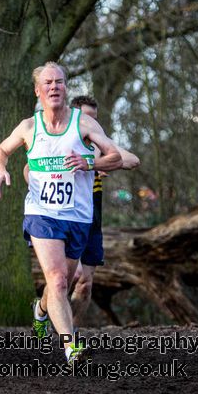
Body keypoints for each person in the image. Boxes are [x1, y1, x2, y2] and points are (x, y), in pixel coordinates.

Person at [0, 61, 121, 363]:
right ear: (38, 91)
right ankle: (70, 346)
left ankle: (40, 309)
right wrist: (0, 171)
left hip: (77, 216)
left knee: (61, 279)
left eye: (59, 82)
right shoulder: (28, 126)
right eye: (48, 83)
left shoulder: (84, 124)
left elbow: (114, 156)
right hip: (41, 213)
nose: (54, 87)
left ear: (66, 88)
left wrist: (89, 163)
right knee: (59, 279)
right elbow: (1, 151)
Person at [68, 96, 140, 329]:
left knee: (85, 283)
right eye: (87, 118)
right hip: (66, 216)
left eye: (95, 119)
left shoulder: (100, 146)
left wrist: (96, 164)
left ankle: (70, 336)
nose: (92, 124)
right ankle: (44, 313)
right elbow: (29, 170)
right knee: (69, 276)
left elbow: (131, 160)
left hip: (93, 219)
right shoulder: (62, 140)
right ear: (74, 116)